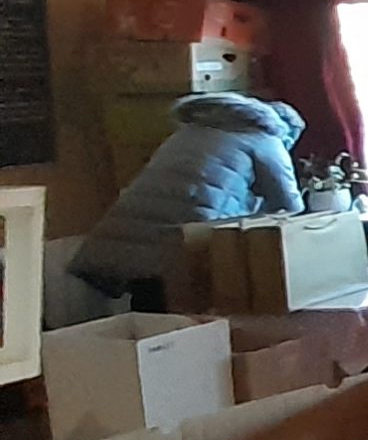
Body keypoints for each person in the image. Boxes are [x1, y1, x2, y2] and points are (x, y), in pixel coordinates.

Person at [69, 94, 304, 309]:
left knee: (150, 310)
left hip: (132, 232)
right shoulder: (266, 139)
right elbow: (289, 205)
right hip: (187, 236)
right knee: (187, 310)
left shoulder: (191, 131)